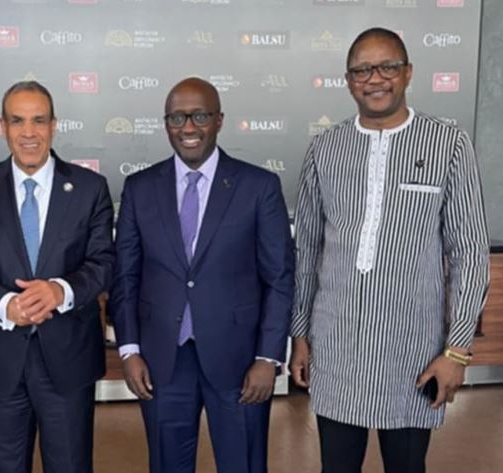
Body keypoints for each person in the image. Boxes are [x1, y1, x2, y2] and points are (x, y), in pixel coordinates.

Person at [289, 27, 489, 473]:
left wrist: (457, 350)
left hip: (413, 354)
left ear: (408, 73)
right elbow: (307, 250)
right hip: (336, 348)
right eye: (362, 70)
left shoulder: (447, 144)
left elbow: (470, 252)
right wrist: (300, 334)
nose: (375, 78)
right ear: (348, 80)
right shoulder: (325, 148)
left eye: (387, 67)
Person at [110, 77, 294, 473]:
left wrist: (268, 357)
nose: (188, 128)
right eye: (177, 118)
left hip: (241, 361)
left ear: (219, 120)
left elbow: (279, 278)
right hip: (162, 361)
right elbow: (125, 276)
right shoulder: (140, 188)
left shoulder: (259, 186)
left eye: (200, 116)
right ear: (166, 124)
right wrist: (129, 350)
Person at [0, 81, 114, 473]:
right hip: (2, 360)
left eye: (39, 121)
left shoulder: (90, 188)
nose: (29, 132)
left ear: (54, 125)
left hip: (68, 360)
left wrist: (60, 291)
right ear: (2, 126)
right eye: (18, 121)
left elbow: (103, 261)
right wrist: (4, 304)